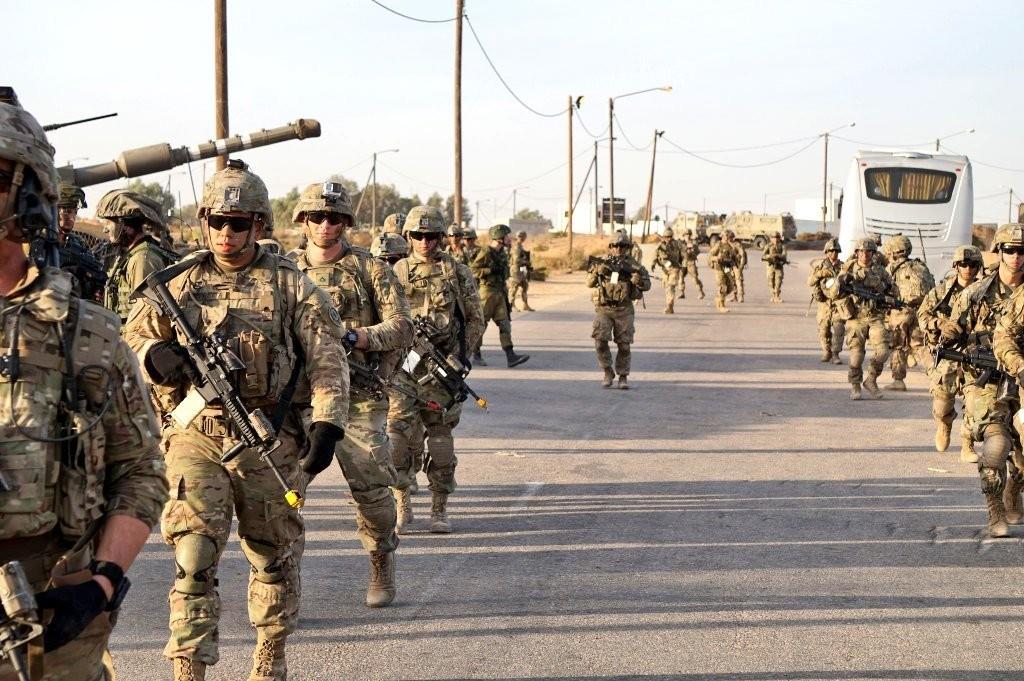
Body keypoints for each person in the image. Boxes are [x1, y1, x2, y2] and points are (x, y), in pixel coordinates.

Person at [124, 160, 350, 680]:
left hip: (268, 440)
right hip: (194, 435)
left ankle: (270, 649)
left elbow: (327, 359)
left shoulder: (293, 286)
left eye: (240, 223)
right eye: (218, 222)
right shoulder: (175, 284)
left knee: (271, 555)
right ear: (204, 222)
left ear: (260, 226)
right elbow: (128, 340)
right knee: (193, 555)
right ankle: (189, 664)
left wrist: (326, 424)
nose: (227, 233)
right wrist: (154, 353)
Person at [0, 94, 168, 681]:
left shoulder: (85, 334)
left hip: (52, 614)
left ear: (29, 192)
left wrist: (101, 583)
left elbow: (142, 471)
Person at [288, 181, 412, 608]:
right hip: (300, 400)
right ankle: (282, 588)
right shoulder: (285, 269)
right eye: (317, 217)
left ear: (346, 223)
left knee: (373, 491)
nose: (326, 225)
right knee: (285, 494)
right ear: (303, 220)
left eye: (335, 218)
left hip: (357, 395)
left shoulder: (371, 269)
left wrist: (354, 336)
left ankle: (381, 558)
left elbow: (401, 327)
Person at [390, 206, 484, 533]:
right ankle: (403, 503)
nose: (425, 242)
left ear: (441, 238)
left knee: (441, 440)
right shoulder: (397, 271)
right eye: (418, 235)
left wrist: (462, 357)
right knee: (396, 438)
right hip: (406, 365)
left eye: (431, 236)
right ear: (409, 237)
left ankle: (439, 509)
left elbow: (475, 318)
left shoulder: (457, 272)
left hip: (443, 366)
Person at [957, 224, 1024, 537]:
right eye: (1010, 250)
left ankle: (1015, 488)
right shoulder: (977, 293)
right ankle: (995, 508)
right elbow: (950, 333)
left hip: (1021, 380)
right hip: (988, 381)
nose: (1016, 256)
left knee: (1021, 459)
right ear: (999, 252)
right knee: (997, 446)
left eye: (1022, 251)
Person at [918, 245, 983, 462]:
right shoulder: (940, 292)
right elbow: (922, 315)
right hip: (948, 355)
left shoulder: (986, 291)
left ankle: (967, 444)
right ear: (956, 266)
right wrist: (938, 323)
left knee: (975, 403)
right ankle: (944, 425)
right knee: (942, 403)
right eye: (963, 264)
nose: (968, 269)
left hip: (975, 355)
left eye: (972, 264)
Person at [97, 188, 179, 322]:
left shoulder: (142, 259)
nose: (105, 229)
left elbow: (147, 318)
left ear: (125, 226)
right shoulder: (131, 254)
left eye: (108, 223)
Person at [586, 231, 651, 389]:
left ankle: (623, 376)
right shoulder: (602, 262)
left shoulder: (634, 265)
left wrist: (638, 281)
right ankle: (608, 371)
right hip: (604, 309)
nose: (618, 249)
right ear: (610, 247)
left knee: (624, 346)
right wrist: (597, 273)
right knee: (600, 342)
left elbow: (647, 285)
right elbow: (589, 283)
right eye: (615, 245)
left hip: (624, 310)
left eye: (622, 246)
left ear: (627, 247)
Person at [833, 238, 895, 400]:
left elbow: (893, 290)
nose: (865, 255)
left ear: (874, 253)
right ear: (857, 253)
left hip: (875, 316)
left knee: (883, 351)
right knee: (856, 354)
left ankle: (871, 380)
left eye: (869, 251)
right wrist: (842, 284)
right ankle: (855, 385)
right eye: (861, 251)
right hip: (856, 317)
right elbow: (833, 292)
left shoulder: (880, 271)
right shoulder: (848, 268)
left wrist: (885, 293)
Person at [470, 224, 530, 368]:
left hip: (499, 292)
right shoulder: (485, 252)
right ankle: (476, 353)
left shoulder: (503, 252)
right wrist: (489, 270)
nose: (509, 239)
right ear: (499, 238)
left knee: (504, 324)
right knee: (481, 324)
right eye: (506, 236)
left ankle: (511, 356)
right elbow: (472, 270)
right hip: (487, 292)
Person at [882, 235, 934, 391]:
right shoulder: (921, 265)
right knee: (920, 345)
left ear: (893, 251)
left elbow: (885, 289)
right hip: (919, 310)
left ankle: (898, 381)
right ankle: (936, 375)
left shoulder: (892, 268)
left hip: (900, 312)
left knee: (897, 345)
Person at [806, 238, 846, 364]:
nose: (833, 253)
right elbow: (810, 282)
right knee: (824, 330)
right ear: (826, 252)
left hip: (838, 303)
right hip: (824, 304)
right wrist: (819, 274)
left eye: (836, 251)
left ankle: (835, 354)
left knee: (839, 330)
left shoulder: (843, 267)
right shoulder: (820, 266)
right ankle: (826, 351)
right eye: (831, 251)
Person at [651, 227, 684, 314]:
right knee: (666, 288)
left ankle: (669, 306)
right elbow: (656, 254)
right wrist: (653, 264)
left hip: (674, 269)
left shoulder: (677, 244)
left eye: (670, 236)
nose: (668, 238)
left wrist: (682, 264)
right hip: (665, 270)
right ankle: (670, 307)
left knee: (670, 287)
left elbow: (683, 254)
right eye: (666, 237)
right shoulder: (661, 245)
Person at [708, 232, 738, 313]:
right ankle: (722, 305)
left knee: (731, 286)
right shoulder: (718, 245)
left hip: (727, 267)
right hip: (719, 268)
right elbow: (710, 255)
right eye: (730, 237)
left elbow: (734, 257)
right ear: (725, 237)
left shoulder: (731, 246)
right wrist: (717, 258)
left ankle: (718, 297)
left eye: (732, 238)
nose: (732, 239)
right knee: (722, 286)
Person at [508, 230, 534, 311]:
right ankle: (512, 305)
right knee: (514, 288)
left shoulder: (520, 246)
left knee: (524, 286)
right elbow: (516, 260)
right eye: (522, 237)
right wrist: (526, 262)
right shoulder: (516, 247)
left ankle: (525, 305)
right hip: (515, 270)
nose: (523, 238)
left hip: (520, 270)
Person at [761, 232, 788, 303]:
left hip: (779, 266)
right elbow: (763, 256)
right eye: (773, 237)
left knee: (778, 281)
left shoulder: (782, 246)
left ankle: (777, 296)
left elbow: (784, 255)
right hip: (770, 266)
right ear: (771, 239)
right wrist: (770, 256)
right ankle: (773, 295)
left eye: (777, 237)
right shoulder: (768, 246)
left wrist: (777, 256)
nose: (775, 239)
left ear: (779, 238)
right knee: (770, 281)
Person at [679, 229, 705, 300]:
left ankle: (701, 292)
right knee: (680, 278)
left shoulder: (693, 243)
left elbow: (697, 252)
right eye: (685, 235)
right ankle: (681, 293)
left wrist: (692, 249)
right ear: (683, 236)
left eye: (688, 235)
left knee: (695, 279)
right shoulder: (681, 243)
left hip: (691, 262)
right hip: (683, 263)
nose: (687, 236)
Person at [726, 231, 747, 302]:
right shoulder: (724, 244)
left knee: (738, 280)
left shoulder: (736, 245)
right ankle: (734, 296)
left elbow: (742, 254)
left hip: (736, 265)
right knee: (731, 281)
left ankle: (741, 296)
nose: (728, 239)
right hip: (728, 266)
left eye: (729, 237)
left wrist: (741, 266)